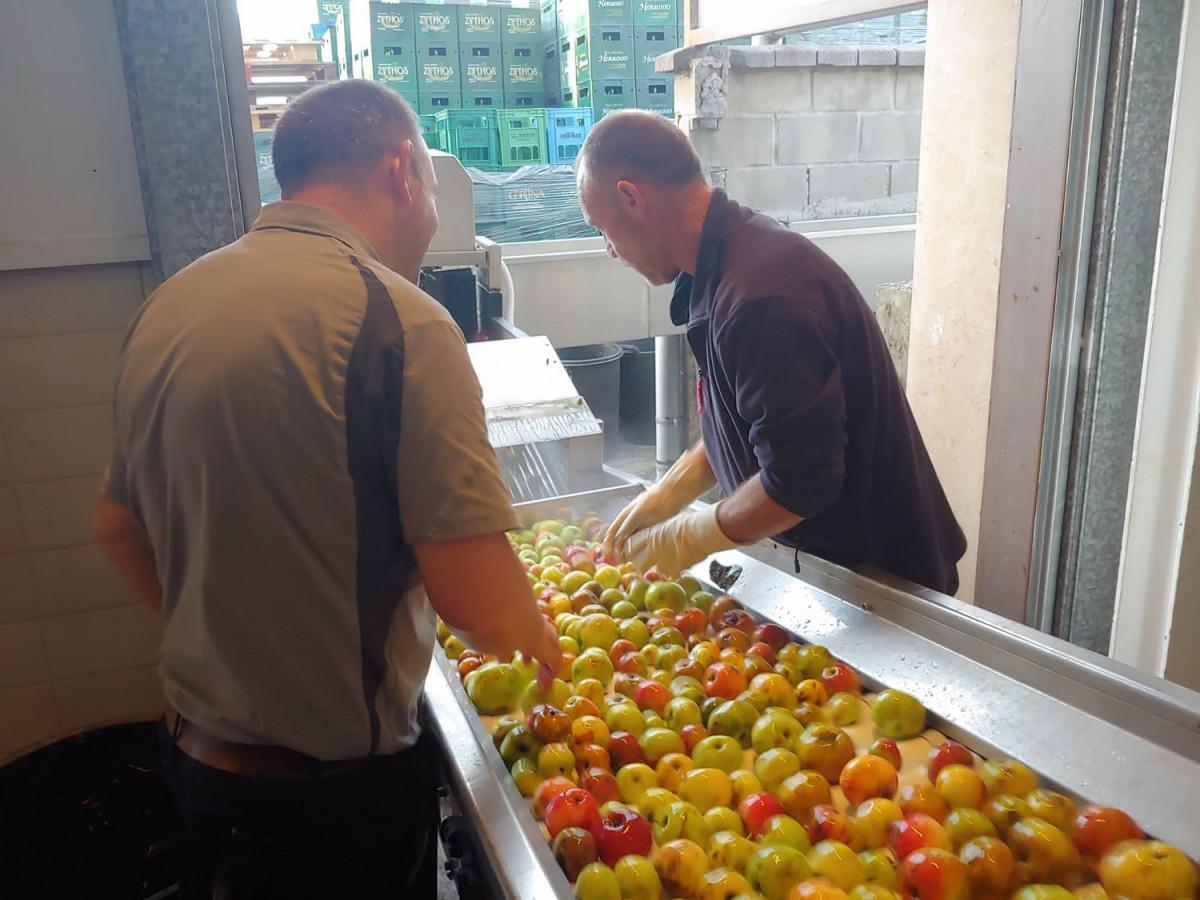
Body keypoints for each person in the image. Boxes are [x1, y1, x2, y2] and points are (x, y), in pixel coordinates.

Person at [91, 80, 560, 898]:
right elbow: (480, 605)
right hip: (328, 810)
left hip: (196, 763)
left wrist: (239, 644)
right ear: (402, 171)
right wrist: (554, 662)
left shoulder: (167, 306)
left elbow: (115, 527)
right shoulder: (401, 319)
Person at [577, 110, 966, 595]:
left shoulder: (760, 297)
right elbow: (754, 417)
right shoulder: (723, 260)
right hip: (837, 568)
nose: (609, 250)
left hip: (884, 583)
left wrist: (689, 536)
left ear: (631, 197)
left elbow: (800, 482)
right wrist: (671, 491)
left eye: (600, 228)